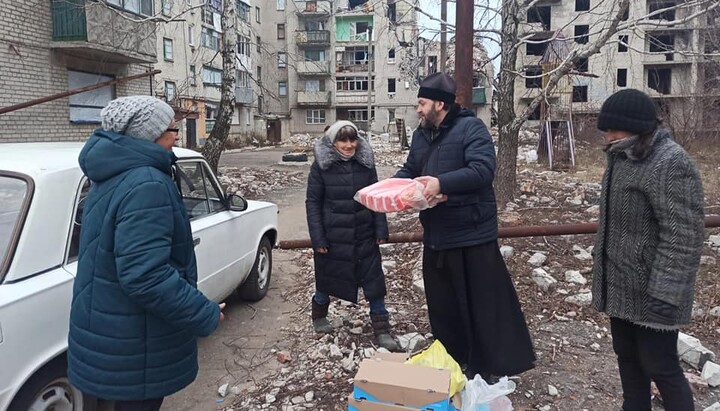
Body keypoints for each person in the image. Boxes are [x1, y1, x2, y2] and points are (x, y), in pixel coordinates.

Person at [68, 96, 224, 411]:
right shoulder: (146, 183)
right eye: (171, 129)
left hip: (110, 331)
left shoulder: (113, 174)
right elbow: (146, 276)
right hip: (135, 340)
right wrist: (203, 313)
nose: (177, 135)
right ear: (148, 135)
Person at [394, 72, 535, 378]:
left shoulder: (472, 128)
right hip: (437, 234)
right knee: (443, 306)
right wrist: (388, 189)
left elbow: (483, 171)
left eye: (421, 103)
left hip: (471, 234)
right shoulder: (422, 134)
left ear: (440, 104)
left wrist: (441, 183)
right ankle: (453, 360)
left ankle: (489, 367)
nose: (417, 109)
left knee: (481, 305)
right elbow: (410, 168)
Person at [592, 89, 704, 411]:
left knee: (662, 367)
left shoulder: (671, 163)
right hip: (622, 290)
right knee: (628, 361)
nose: (608, 136)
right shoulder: (621, 158)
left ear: (636, 127)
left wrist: (666, 296)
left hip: (656, 296)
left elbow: (683, 237)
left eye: (613, 129)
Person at [305, 120, 399, 352]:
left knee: (374, 282)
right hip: (333, 236)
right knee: (327, 279)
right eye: (343, 140)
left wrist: (380, 229)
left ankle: (382, 329)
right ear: (333, 142)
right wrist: (318, 238)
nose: (348, 145)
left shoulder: (366, 164)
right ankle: (319, 315)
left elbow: (375, 197)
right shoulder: (320, 167)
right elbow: (313, 203)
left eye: (352, 139)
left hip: (364, 233)